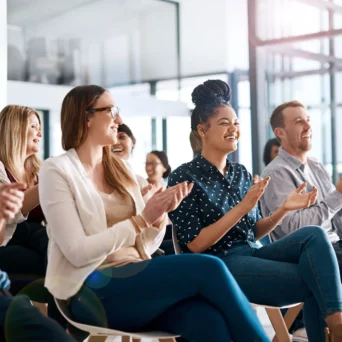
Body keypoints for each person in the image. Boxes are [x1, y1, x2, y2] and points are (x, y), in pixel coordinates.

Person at [38, 84, 270, 342]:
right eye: (111, 110)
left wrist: (158, 218)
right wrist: (141, 220)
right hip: (89, 288)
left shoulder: (121, 171)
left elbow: (145, 245)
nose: (120, 120)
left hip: (136, 275)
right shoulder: (57, 170)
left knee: (207, 319)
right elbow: (77, 252)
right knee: (209, 267)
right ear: (86, 116)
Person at [168, 79, 342, 342]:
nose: (234, 129)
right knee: (314, 278)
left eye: (236, 122)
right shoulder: (184, 177)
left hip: (252, 252)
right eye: (225, 123)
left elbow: (255, 231)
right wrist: (243, 207)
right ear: (202, 130)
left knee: (314, 234)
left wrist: (284, 208)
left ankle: (337, 325)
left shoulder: (240, 173)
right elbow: (195, 244)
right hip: (220, 263)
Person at [260, 101, 342, 341]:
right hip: (307, 251)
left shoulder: (315, 164)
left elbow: (334, 218)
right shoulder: (276, 173)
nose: (308, 125)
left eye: (307, 119)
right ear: (280, 133)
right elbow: (296, 229)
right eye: (299, 121)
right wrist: (338, 195)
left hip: (334, 245)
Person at [0, 183, 75, 342]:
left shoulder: (32, 169)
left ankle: (63, 321)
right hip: (13, 243)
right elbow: (17, 217)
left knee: (55, 251)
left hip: (4, 284)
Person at [112, 123, 148, 189]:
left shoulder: (141, 183)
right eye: (112, 137)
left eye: (122, 137)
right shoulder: (97, 178)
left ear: (133, 142)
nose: (116, 142)